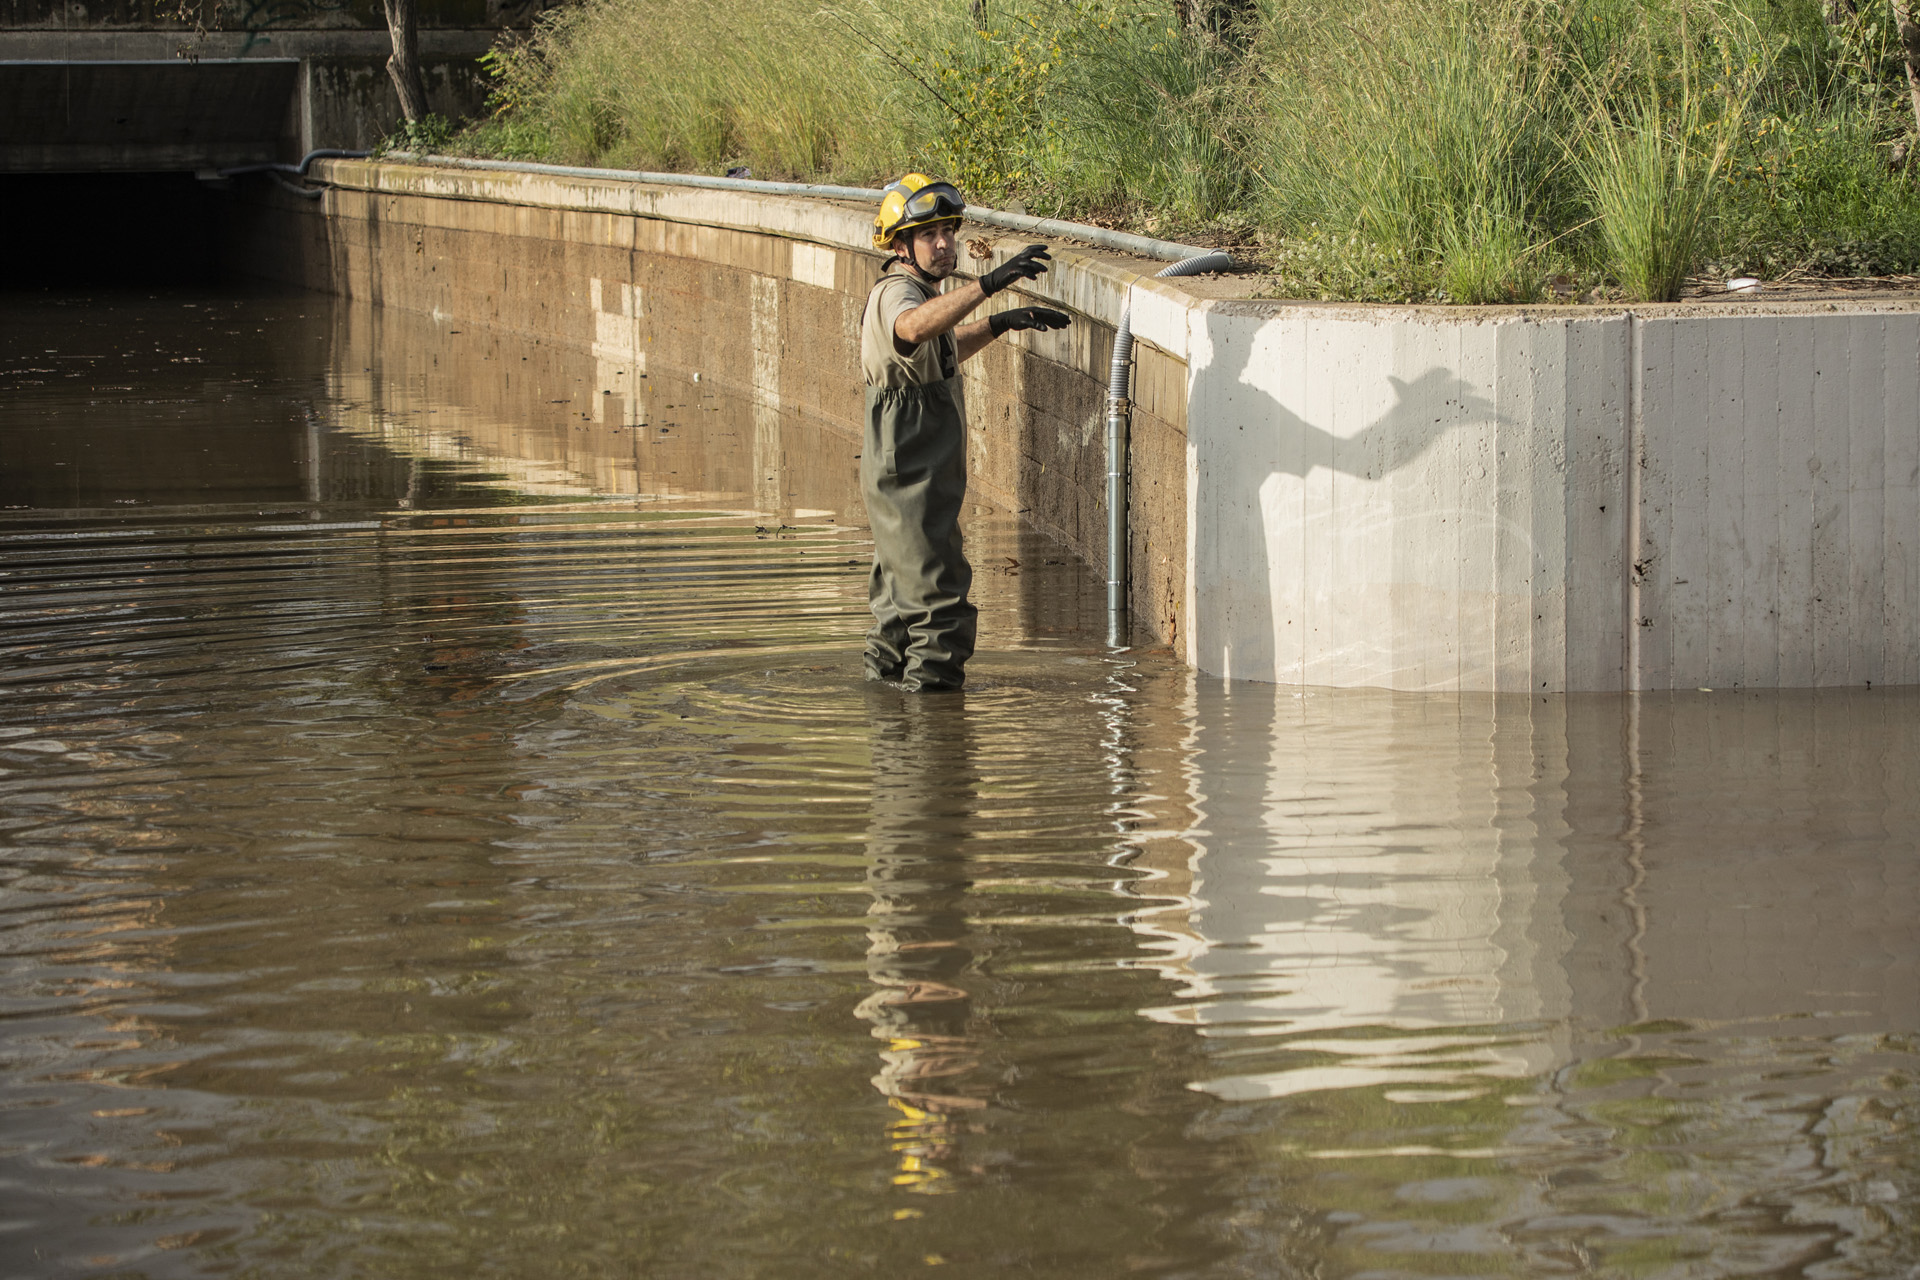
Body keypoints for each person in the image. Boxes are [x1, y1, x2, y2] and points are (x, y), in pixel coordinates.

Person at [860, 173, 1071, 692]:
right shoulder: (896, 293)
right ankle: (938, 755)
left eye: (949, 232)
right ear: (900, 244)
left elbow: (938, 351)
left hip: (909, 476)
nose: (944, 243)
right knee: (940, 615)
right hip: (911, 477)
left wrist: (1001, 322)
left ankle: (891, 737)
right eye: (929, 234)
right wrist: (990, 284)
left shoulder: (919, 294)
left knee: (898, 620)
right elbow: (911, 328)